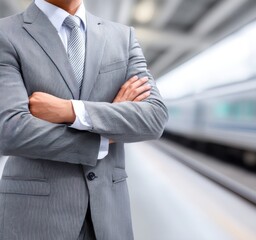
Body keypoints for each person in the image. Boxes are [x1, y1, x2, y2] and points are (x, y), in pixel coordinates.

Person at [0, 0, 168, 239]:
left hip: (110, 219)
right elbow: (11, 130)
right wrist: (104, 136)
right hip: (35, 220)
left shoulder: (123, 37)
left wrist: (72, 111)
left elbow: (154, 118)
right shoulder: (5, 33)